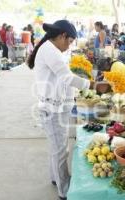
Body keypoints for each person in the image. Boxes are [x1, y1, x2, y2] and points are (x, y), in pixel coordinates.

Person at [27, 19, 101, 200]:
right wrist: (93, 85)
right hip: (52, 109)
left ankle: (56, 178)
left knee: (57, 148)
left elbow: (62, 79)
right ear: (61, 36)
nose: (69, 46)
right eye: (69, 41)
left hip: (57, 106)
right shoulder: (49, 51)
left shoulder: (51, 49)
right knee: (60, 151)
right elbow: (67, 78)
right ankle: (64, 191)